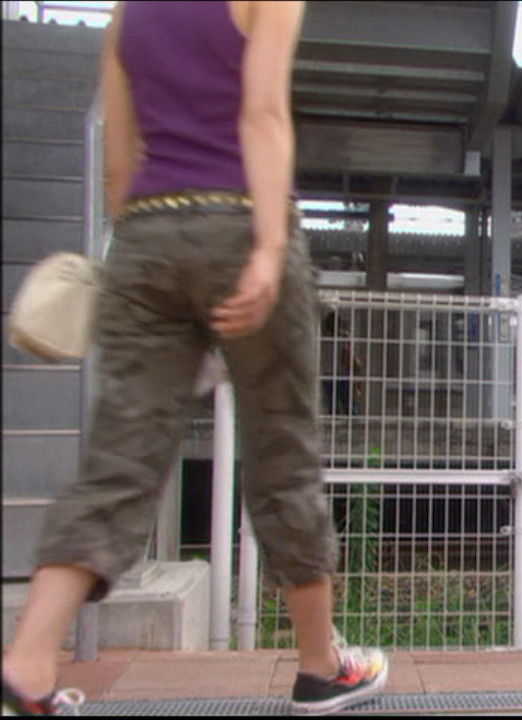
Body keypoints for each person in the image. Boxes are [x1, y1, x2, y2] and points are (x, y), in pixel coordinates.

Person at [1, 3, 387, 716]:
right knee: (283, 453)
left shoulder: (128, 10)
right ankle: (319, 666)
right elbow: (262, 111)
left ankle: (27, 663)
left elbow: (120, 155)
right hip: (241, 218)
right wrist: (269, 248)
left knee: (120, 460)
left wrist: (147, 259)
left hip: (145, 234)